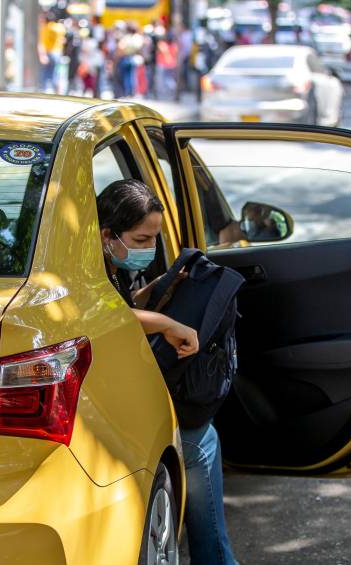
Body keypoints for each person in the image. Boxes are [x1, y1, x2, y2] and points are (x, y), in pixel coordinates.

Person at [96, 179, 238, 565]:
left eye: (153, 240)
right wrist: (167, 323)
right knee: (198, 444)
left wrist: (162, 284)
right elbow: (106, 316)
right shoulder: (88, 268)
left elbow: (125, 304)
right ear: (107, 233)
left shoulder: (111, 260)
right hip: (103, 407)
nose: (148, 250)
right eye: (141, 240)